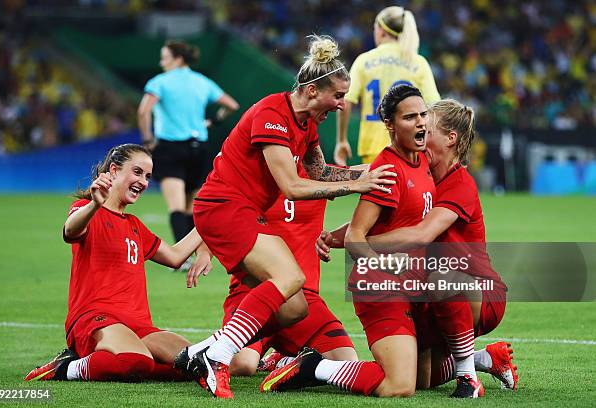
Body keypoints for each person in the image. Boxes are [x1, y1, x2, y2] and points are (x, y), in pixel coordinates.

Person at [185, 35, 396, 399]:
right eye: (338, 96)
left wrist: (371, 171)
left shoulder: (306, 124)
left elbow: (320, 172)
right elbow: (294, 186)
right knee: (291, 276)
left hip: (242, 212)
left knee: (294, 305)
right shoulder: (272, 113)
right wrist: (358, 187)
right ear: (312, 91)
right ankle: (217, 357)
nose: (342, 105)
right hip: (222, 207)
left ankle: (201, 352)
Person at [267, 98, 517, 399]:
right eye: (417, 118)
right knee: (418, 379)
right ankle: (485, 359)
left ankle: (467, 375)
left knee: (441, 276)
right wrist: (337, 235)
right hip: (426, 291)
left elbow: (422, 234)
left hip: (477, 292)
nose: (421, 125)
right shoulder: (416, 169)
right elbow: (386, 220)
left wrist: (357, 242)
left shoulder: (460, 183)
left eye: (428, 121)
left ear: (451, 139)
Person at [24, 144, 211, 383]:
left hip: (138, 326)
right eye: (137, 172)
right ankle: (65, 368)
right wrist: (94, 204)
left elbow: (175, 256)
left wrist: (210, 218)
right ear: (113, 171)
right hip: (95, 318)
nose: (143, 182)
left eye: (148, 177)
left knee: (198, 363)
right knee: (136, 361)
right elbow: (70, 231)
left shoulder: (134, 225)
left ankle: (136, 358)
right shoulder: (86, 210)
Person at [185, 167, 358, 379]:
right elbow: (215, 214)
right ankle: (210, 352)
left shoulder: (318, 177)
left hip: (305, 298)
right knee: (243, 365)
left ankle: (282, 361)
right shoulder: (253, 180)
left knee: (346, 363)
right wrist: (204, 251)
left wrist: (392, 168)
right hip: (253, 294)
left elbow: (362, 172)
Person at [137, 40, 239, 269]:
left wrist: (147, 140)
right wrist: (212, 121)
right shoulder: (202, 82)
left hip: (170, 147)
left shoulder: (160, 82)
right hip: (199, 147)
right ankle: (195, 255)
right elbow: (232, 104)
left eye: (164, 57)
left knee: (175, 205)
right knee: (192, 205)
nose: (161, 62)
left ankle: (181, 258)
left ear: (177, 59)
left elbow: (143, 111)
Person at [335, 5, 440, 166]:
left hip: (372, 146)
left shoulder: (364, 60)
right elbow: (434, 106)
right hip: (409, 143)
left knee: (378, 190)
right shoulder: (418, 63)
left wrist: (341, 140)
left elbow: (345, 102)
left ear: (381, 30)